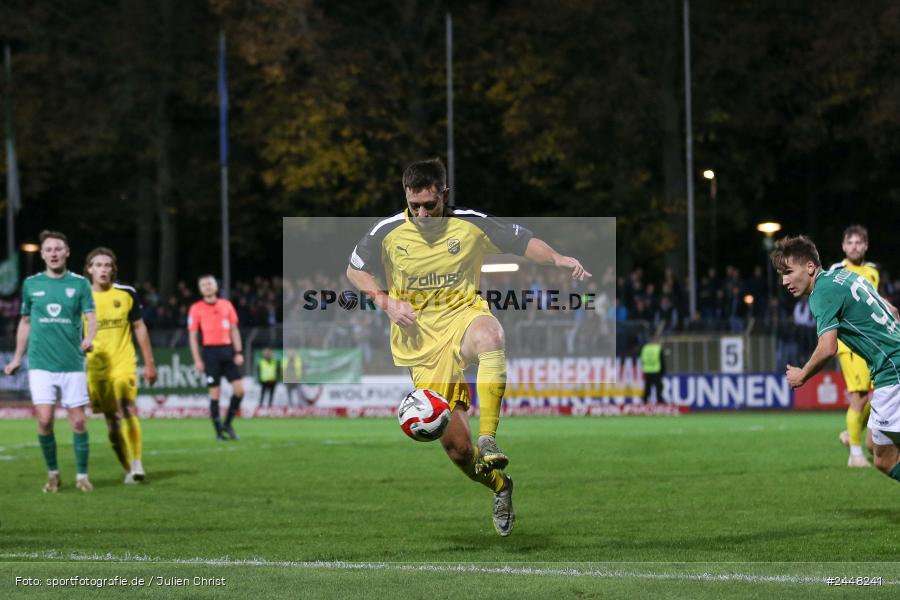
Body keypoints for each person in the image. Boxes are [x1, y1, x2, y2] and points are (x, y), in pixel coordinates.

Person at [346, 158, 590, 536]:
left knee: (491, 336)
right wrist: (387, 302)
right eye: (415, 206)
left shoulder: (470, 223)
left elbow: (521, 240)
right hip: (421, 343)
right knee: (458, 451)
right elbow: (354, 269)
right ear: (406, 198)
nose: (423, 214)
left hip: (464, 315)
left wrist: (557, 258)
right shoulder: (387, 232)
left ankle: (489, 437)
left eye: (431, 204)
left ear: (445, 195)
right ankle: (501, 487)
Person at [774, 235, 900, 484]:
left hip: (892, 370)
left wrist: (803, 374)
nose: (784, 281)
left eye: (788, 272)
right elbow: (893, 311)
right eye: (781, 275)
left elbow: (828, 347)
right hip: (892, 365)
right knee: (873, 444)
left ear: (810, 267)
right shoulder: (846, 276)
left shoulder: (821, 292)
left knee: (884, 460)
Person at [3, 230, 98, 492]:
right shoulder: (31, 284)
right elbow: (24, 322)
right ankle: (53, 473)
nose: (54, 253)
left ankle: (81, 476)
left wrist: (89, 338)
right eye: (49, 249)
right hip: (41, 363)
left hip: (71, 362)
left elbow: (91, 319)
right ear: (43, 254)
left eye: (59, 249)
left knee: (78, 421)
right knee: (44, 420)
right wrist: (17, 358)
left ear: (67, 252)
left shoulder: (80, 284)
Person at [84, 247, 157, 483]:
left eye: (107, 265)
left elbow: (139, 327)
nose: (103, 269)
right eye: (98, 265)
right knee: (111, 422)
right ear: (89, 269)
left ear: (113, 269)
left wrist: (149, 363)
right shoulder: (80, 297)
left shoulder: (126, 293)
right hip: (96, 366)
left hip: (123, 361)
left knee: (126, 406)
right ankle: (128, 467)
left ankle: (137, 464)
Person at [829, 226, 879, 467]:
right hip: (850, 344)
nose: (855, 246)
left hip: (871, 345)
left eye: (859, 242)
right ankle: (856, 455)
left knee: (880, 396)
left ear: (866, 245)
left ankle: (853, 432)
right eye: (850, 242)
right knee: (859, 396)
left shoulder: (873, 272)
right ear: (843, 246)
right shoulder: (837, 272)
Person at [188, 275, 244, 440]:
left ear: (216, 286)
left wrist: (238, 351)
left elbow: (234, 329)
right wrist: (197, 359)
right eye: (203, 284)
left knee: (240, 391)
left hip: (227, 351)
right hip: (210, 353)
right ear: (200, 289)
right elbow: (193, 336)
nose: (207, 286)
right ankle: (219, 431)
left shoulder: (226, 305)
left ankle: (227, 423)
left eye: (209, 283)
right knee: (215, 394)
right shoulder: (196, 308)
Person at [640, 335, 666, 404]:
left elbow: (642, 360)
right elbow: (662, 361)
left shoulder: (645, 348)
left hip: (647, 370)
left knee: (647, 387)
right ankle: (659, 400)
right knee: (659, 386)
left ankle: (645, 401)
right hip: (656, 371)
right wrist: (663, 371)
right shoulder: (658, 348)